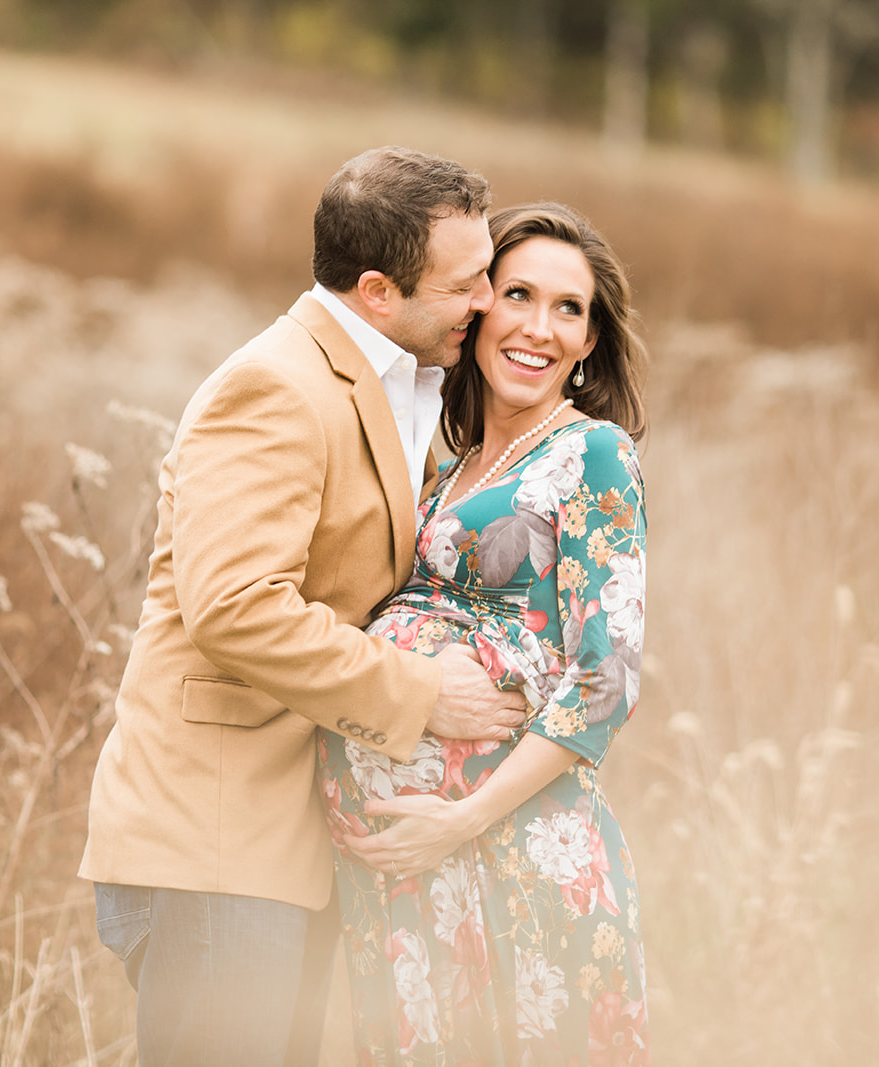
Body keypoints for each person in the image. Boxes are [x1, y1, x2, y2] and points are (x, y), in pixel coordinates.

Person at [80, 146, 530, 1067]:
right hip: (217, 841)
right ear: (375, 289)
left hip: (288, 843)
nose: (487, 301)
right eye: (467, 284)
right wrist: (420, 693)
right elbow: (235, 607)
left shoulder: (403, 381)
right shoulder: (274, 388)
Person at [319, 202, 652, 1064]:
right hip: (410, 872)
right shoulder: (448, 459)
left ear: (588, 340)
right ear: (478, 307)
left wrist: (457, 821)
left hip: (513, 852)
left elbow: (605, 682)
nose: (539, 327)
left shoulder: (594, 456)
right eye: (518, 294)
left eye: (568, 308)